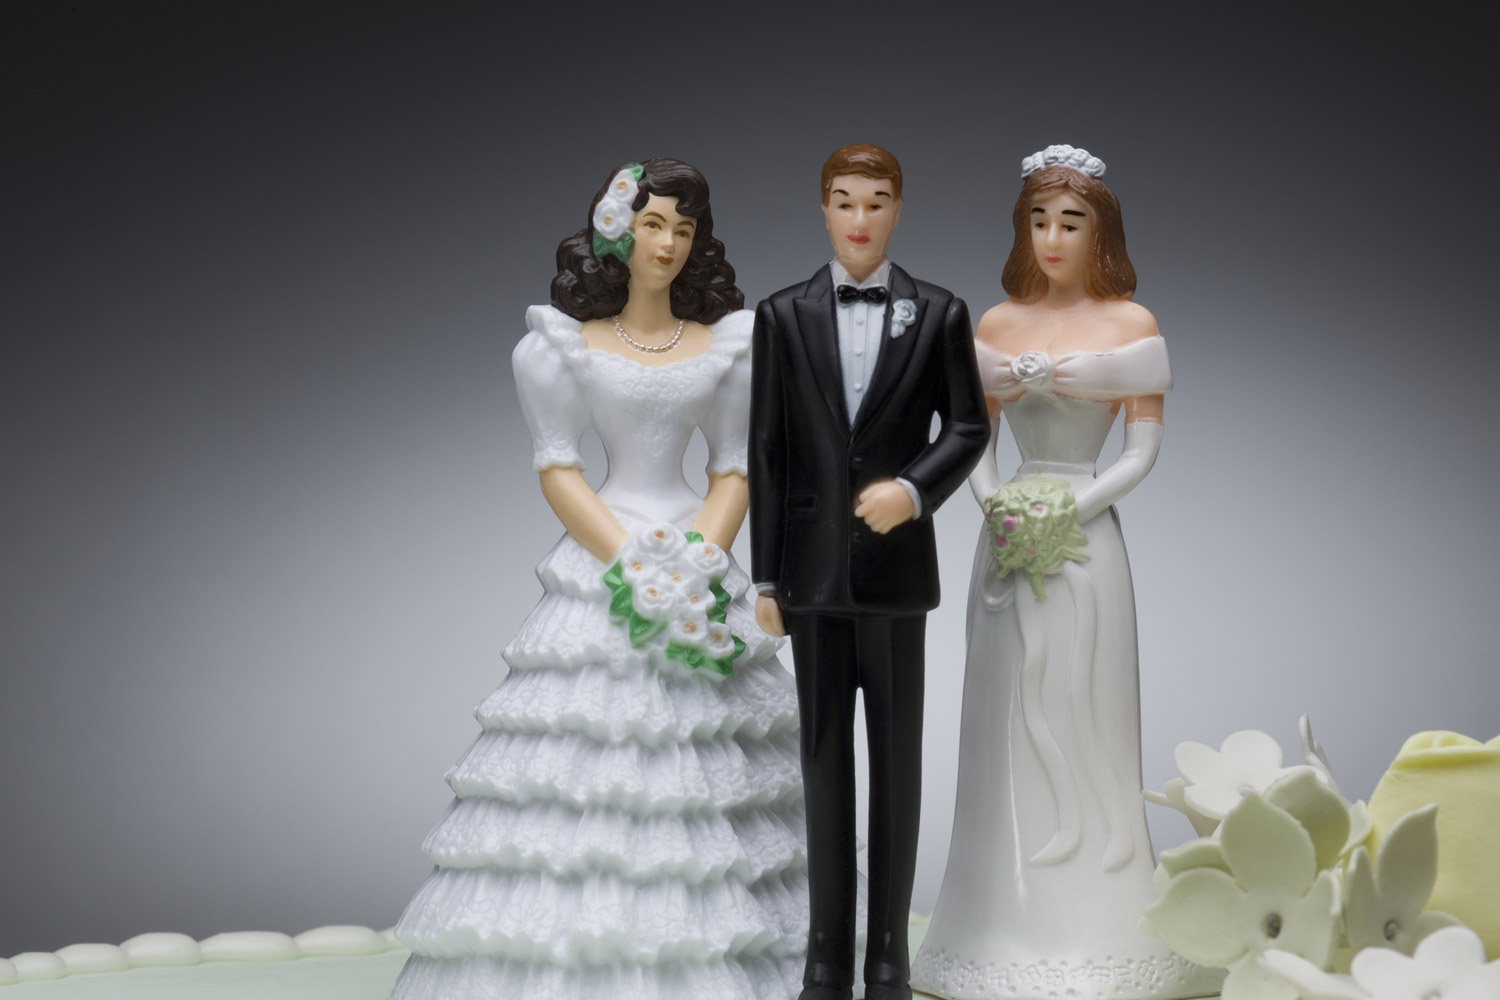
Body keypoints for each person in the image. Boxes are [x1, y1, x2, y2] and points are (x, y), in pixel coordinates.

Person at [392, 158, 810, 1000]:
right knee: (590, 754)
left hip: (697, 548)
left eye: (683, 229)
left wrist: (700, 560)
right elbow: (558, 466)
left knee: (714, 758)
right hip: (607, 554)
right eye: (653, 224)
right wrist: (629, 561)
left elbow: (734, 466)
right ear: (617, 231)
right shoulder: (563, 347)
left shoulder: (728, 346)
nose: (668, 243)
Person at [909, 146, 1220, 999]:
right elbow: (972, 439)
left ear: (1100, 233)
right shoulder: (996, 325)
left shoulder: (1132, 324)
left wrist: (1067, 509)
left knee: (1089, 712)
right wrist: (996, 506)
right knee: (1002, 720)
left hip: (1087, 538)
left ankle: (1104, 926)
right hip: (1007, 539)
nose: (1053, 237)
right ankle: (987, 924)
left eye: (1071, 222)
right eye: (1039, 221)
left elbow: (1141, 451)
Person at [749, 144, 989, 1000]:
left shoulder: (940, 312)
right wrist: (765, 578)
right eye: (845, 201)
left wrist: (913, 492)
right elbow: (768, 451)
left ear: (898, 210)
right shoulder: (782, 315)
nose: (860, 219)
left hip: (894, 578)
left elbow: (968, 427)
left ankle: (888, 954)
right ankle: (826, 955)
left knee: (895, 766)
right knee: (822, 765)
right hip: (811, 578)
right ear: (823, 208)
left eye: (876, 202)